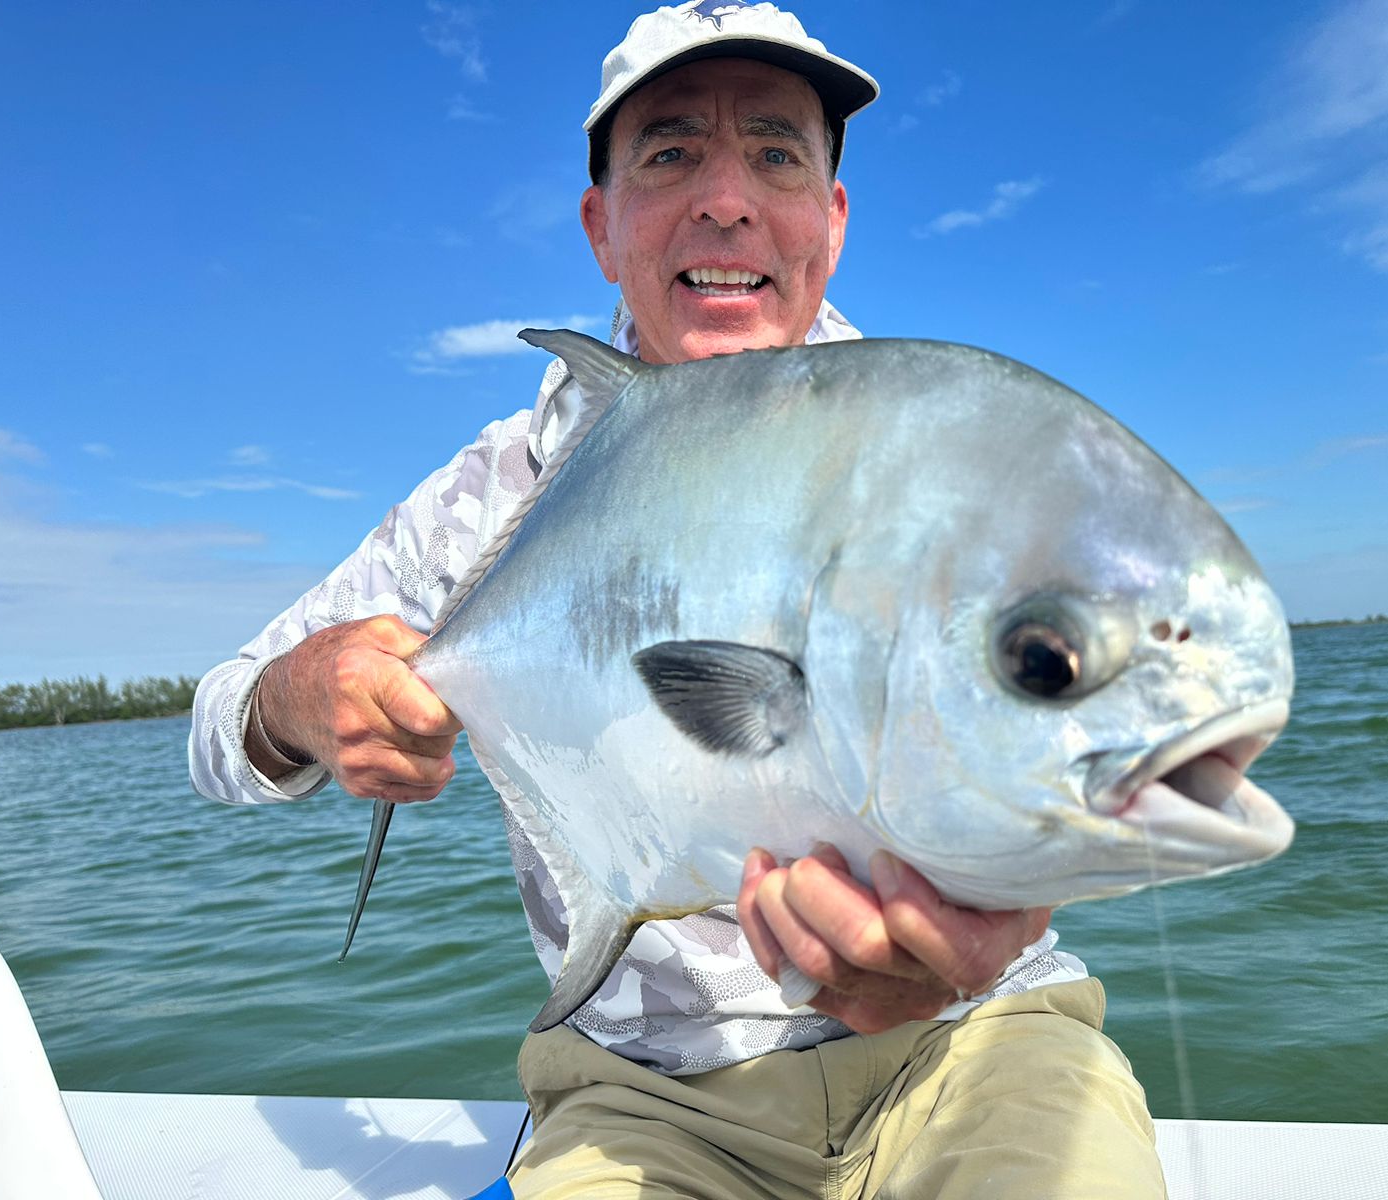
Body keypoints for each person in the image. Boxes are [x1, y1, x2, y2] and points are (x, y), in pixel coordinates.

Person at [190, 3, 1167, 1195]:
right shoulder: (496, 492)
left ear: (832, 218)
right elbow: (220, 724)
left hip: (974, 1045)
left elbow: (1076, 713)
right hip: (642, 1099)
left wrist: (1010, 892)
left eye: (775, 152)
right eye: (669, 153)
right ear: (603, 226)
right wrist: (301, 698)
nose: (726, 199)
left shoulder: (942, 456)